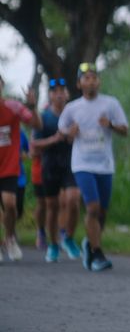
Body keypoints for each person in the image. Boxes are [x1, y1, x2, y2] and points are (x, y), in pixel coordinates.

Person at [58, 63, 128, 272]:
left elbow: (125, 130)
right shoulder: (72, 108)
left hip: (105, 165)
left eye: (94, 77)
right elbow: (62, 130)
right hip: (82, 164)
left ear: (99, 82)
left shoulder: (110, 104)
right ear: (79, 84)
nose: (90, 81)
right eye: (86, 78)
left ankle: (89, 243)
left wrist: (111, 125)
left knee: (102, 213)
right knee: (93, 208)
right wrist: (70, 133)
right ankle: (97, 254)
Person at [31, 78, 82, 262]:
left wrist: (74, 136)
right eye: (55, 91)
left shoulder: (74, 114)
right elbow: (34, 145)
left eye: (62, 90)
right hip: (50, 166)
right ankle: (53, 244)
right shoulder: (44, 117)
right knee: (52, 206)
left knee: (73, 200)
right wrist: (56, 138)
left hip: (71, 164)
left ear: (67, 94)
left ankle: (68, 238)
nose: (59, 94)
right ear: (50, 95)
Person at [0, 75, 42, 261]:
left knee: (10, 205)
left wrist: (32, 106)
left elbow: (36, 124)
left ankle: (9, 237)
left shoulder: (13, 107)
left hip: (9, 166)